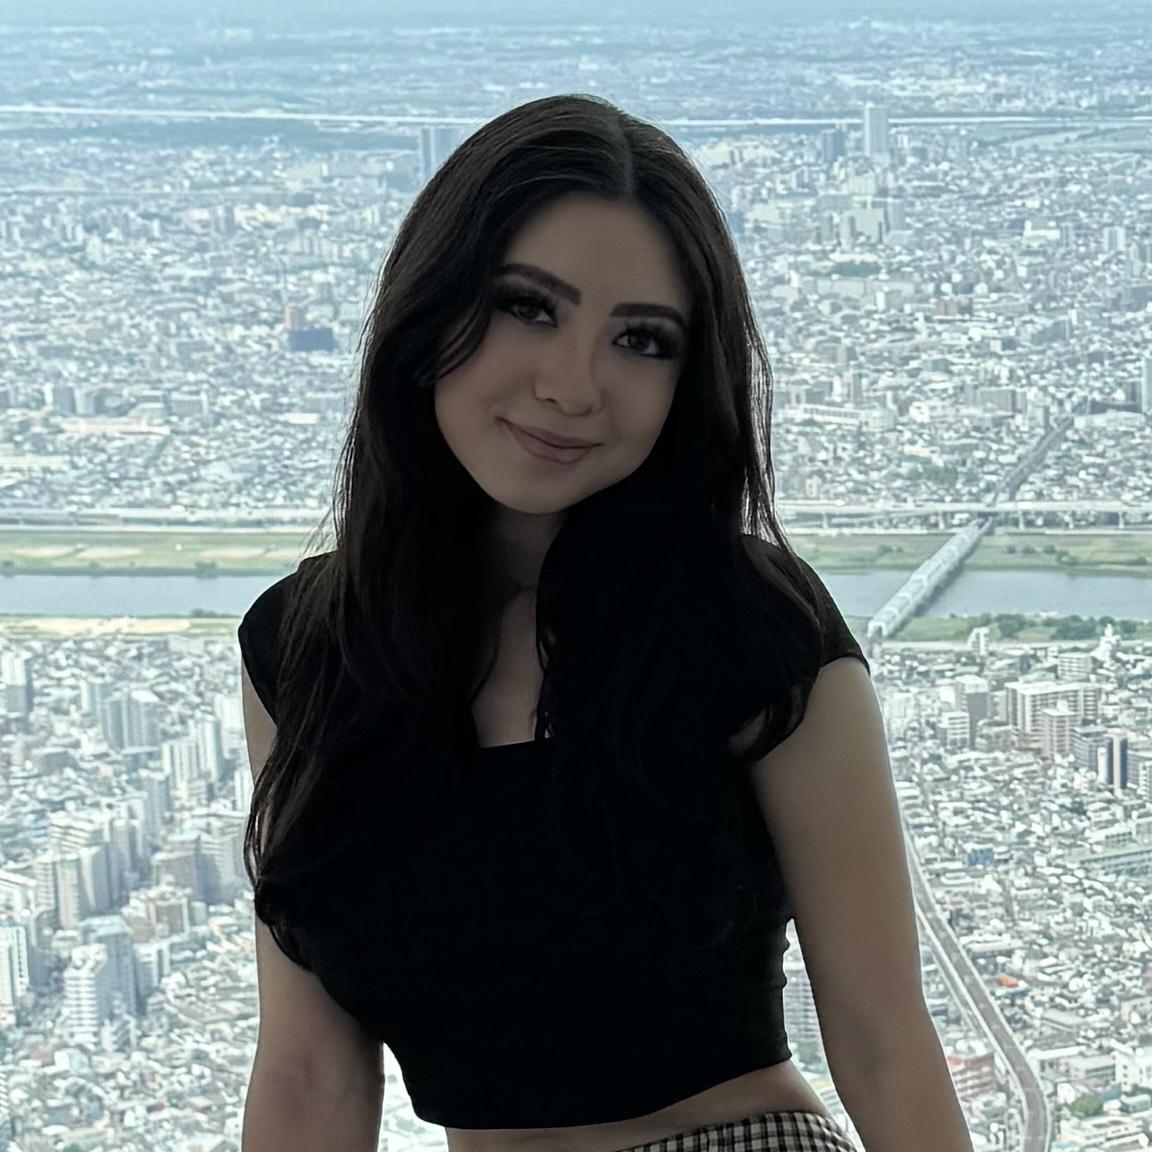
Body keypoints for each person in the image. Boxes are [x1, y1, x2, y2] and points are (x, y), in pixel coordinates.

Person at [239, 94, 968, 1152]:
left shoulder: (751, 628)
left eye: (641, 339)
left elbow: (882, 1039)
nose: (574, 386)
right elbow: (308, 1073)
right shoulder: (308, 650)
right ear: (430, 310)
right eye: (528, 307)